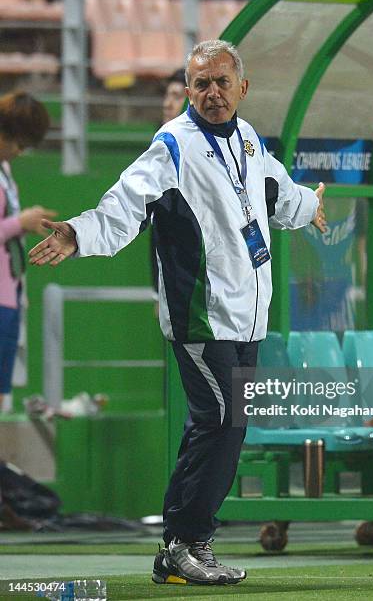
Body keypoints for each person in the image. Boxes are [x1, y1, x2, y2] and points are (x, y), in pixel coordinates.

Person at [29, 40, 327, 585]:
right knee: (222, 421)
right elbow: (123, 205)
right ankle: (190, 542)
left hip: (248, 317)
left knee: (212, 425)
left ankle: (177, 547)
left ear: (243, 86)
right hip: (201, 316)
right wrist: (78, 232)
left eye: (220, 82)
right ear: (188, 91)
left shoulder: (249, 138)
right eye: (199, 84)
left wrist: (311, 207)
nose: (211, 93)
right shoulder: (172, 146)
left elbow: (279, 193)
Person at [0, 91, 55, 413]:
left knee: (4, 392)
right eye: (19, 144)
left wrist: (18, 290)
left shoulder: (6, 172)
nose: (20, 152)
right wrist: (20, 222)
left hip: (9, 296)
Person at [150, 68, 186, 294]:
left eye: (176, 96)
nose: (167, 103)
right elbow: (158, 223)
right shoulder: (160, 148)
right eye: (166, 95)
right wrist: (159, 289)